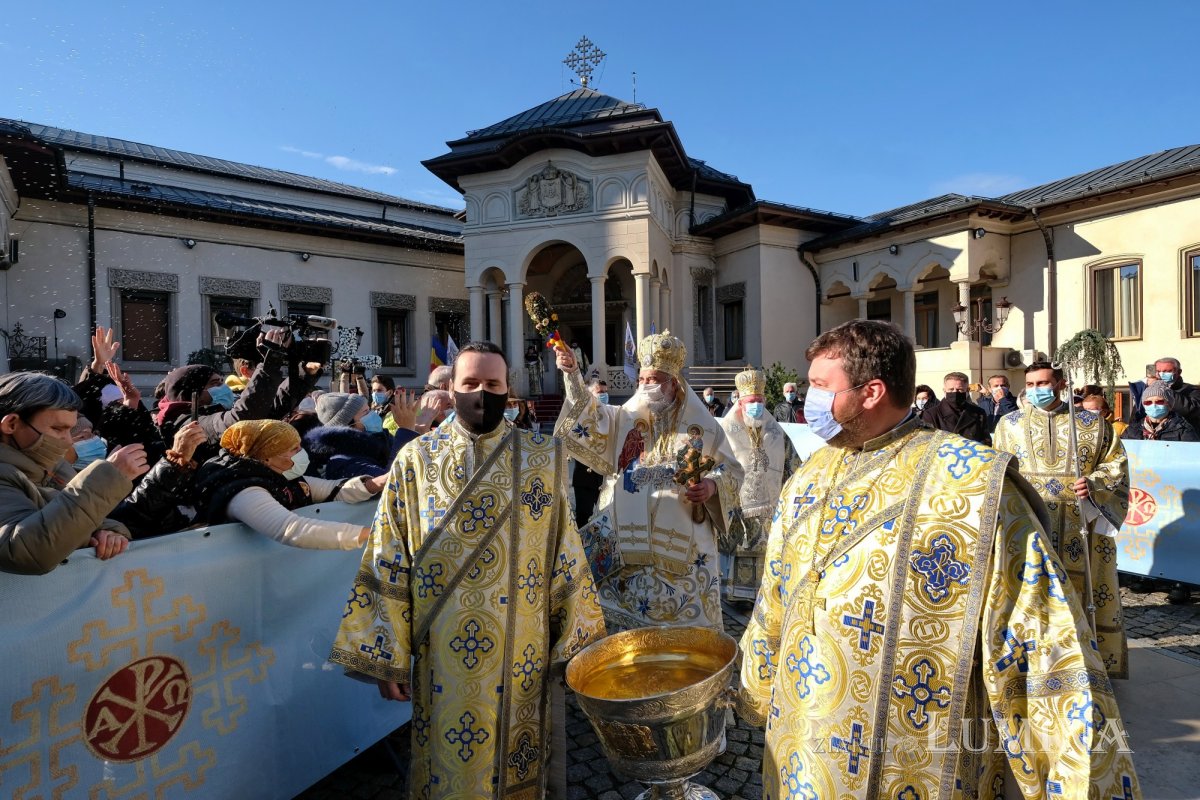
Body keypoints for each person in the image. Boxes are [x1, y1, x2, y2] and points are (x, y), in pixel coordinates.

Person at [736, 321, 1140, 798]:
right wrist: (757, 684)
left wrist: (1077, 779)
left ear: (872, 392)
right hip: (803, 735)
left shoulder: (973, 487)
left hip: (917, 756)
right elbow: (777, 592)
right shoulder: (809, 476)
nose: (809, 399)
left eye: (821, 387)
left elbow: (1045, 643)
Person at [331, 341, 603, 799]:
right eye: (471, 383)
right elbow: (387, 556)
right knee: (448, 772)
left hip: (523, 654)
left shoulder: (544, 458)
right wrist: (387, 654)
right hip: (442, 653)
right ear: (451, 390)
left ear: (508, 389)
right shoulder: (414, 461)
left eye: (493, 384)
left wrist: (578, 641)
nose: (482, 393)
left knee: (519, 764)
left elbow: (566, 551)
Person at [554, 330, 743, 631]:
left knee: (681, 632)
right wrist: (573, 373)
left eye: (653, 380)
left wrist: (712, 486)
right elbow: (589, 414)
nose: (646, 386)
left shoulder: (704, 427)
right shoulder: (624, 417)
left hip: (682, 546)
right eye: (641, 380)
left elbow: (732, 471)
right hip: (627, 543)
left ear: (673, 383)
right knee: (625, 631)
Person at [993, 361, 1131, 677]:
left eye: (1043, 383)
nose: (1036, 390)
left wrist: (1094, 483)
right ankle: (1037, 663)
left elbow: (1116, 465)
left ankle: (1087, 664)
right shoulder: (1008, 425)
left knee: (1081, 592)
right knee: (1033, 590)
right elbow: (998, 472)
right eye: (1030, 384)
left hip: (1079, 526)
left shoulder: (1092, 425)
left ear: (1060, 384)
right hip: (1029, 524)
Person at [0, 372, 148, 574]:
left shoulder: (54, 466)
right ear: (11, 424)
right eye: (58, 428)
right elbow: (26, 552)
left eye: (69, 430)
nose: (69, 441)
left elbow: (89, 517)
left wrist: (109, 533)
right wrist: (106, 479)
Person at [193, 420, 383, 549]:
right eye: (294, 449)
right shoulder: (246, 491)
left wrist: (383, 481)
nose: (302, 452)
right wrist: (374, 534)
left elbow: (335, 490)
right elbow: (292, 529)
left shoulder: (284, 476)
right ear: (267, 457)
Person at [716, 366, 799, 603]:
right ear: (740, 402)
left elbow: (792, 463)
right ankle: (733, 594)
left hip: (769, 504)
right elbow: (715, 462)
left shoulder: (776, 431)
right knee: (739, 545)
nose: (757, 405)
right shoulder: (725, 431)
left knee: (766, 549)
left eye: (760, 401)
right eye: (752, 401)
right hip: (737, 502)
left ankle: (762, 595)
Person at [571, 378, 609, 529]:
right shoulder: (580, 416)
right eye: (600, 392)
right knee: (583, 517)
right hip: (585, 478)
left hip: (605, 478)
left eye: (606, 392)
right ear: (590, 394)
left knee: (607, 516)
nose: (604, 395)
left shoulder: (610, 414)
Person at [919, 370, 990, 444]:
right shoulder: (931, 414)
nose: (955, 392)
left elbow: (986, 441)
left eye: (960, 390)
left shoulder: (979, 413)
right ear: (944, 390)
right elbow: (927, 443)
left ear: (967, 390)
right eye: (951, 389)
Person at [1122, 382, 1199, 441]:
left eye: (1160, 402)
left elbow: (1192, 456)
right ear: (1144, 405)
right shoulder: (1132, 429)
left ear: (1169, 404)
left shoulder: (1183, 429)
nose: (1154, 405)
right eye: (1148, 402)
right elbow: (1120, 454)